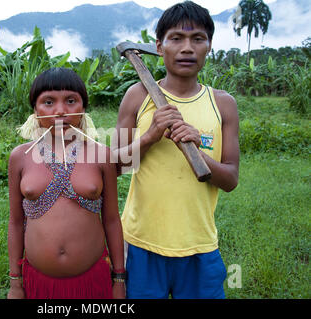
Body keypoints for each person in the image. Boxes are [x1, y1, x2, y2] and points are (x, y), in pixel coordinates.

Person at [114, 1, 240, 299]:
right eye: (176, 39)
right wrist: (150, 136)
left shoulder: (223, 104)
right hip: (141, 244)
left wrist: (199, 152)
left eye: (197, 38)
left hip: (200, 245)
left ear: (209, 46)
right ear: (159, 46)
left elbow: (231, 180)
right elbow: (113, 166)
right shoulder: (137, 96)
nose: (187, 48)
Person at [7, 67, 126, 299]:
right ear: (35, 110)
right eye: (48, 102)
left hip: (93, 280)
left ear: (83, 108)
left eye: (71, 101)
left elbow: (112, 220)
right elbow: (15, 222)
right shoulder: (20, 156)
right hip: (38, 283)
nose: (60, 111)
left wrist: (119, 279)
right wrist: (15, 282)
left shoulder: (102, 155)